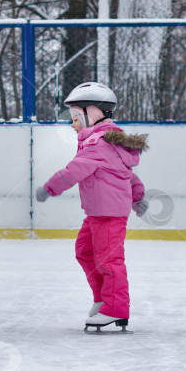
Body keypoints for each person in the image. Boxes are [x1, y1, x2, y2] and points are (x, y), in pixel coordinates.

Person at [35, 82, 148, 332]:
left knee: (109, 260)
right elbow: (127, 175)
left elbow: (73, 171)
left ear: (94, 113)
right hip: (98, 213)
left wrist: (49, 188)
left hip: (108, 214)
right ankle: (102, 299)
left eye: (75, 117)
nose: (72, 124)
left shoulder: (98, 145)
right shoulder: (106, 142)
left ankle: (115, 308)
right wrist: (138, 197)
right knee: (84, 251)